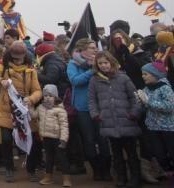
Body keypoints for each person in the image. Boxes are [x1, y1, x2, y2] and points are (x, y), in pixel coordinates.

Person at [0, 40, 42, 183]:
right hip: (6, 111)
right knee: (6, 140)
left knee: (33, 141)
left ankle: (31, 169)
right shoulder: (2, 67)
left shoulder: (31, 70)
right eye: (15, 57)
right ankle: (9, 168)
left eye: (20, 57)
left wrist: (31, 99)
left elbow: (37, 91)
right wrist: (0, 81)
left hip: (25, 111)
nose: (18, 60)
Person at [88, 51, 142, 187]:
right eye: (100, 63)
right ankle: (121, 178)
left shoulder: (123, 78)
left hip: (127, 120)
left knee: (131, 153)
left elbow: (134, 97)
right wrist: (95, 114)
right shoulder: (94, 80)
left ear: (111, 62)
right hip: (108, 121)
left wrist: (134, 113)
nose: (103, 66)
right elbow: (92, 100)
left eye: (105, 63)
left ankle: (135, 179)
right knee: (116, 153)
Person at [68, 38, 112, 180]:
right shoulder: (73, 64)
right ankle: (96, 170)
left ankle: (107, 170)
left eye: (95, 47)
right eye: (92, 48)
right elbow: (75, 81)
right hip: (82, 108)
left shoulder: (101, 62)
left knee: (103, 139)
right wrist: (91, 71)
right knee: (89, 139)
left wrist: (99, 67)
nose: (95, 49)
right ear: (82, 49)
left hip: (101, 106)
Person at [139, 61, 174, 173]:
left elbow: (169, 107)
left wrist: (148, 102)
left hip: (168, 128)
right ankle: (169, 173)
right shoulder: (147, 89)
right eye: (142, 74)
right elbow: (146, 107)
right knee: (160, 155)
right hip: (153, 127)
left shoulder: (165, 88)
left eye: (145, 74)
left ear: (155, 74)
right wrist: (140, 102)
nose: (142, 76)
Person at [37, 84, 71, 187]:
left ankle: (66, 178)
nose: (47, 98)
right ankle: (48, 177)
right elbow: (34, 114)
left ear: (55, 97)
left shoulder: (60, 110)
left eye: (50, 96)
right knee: (49, 158)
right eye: (46, 95)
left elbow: (64, 125)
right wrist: (28, 106)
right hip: (46, 137)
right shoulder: (40, 107)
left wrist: (64, 139)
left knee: (62, 158)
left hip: (58, 139)